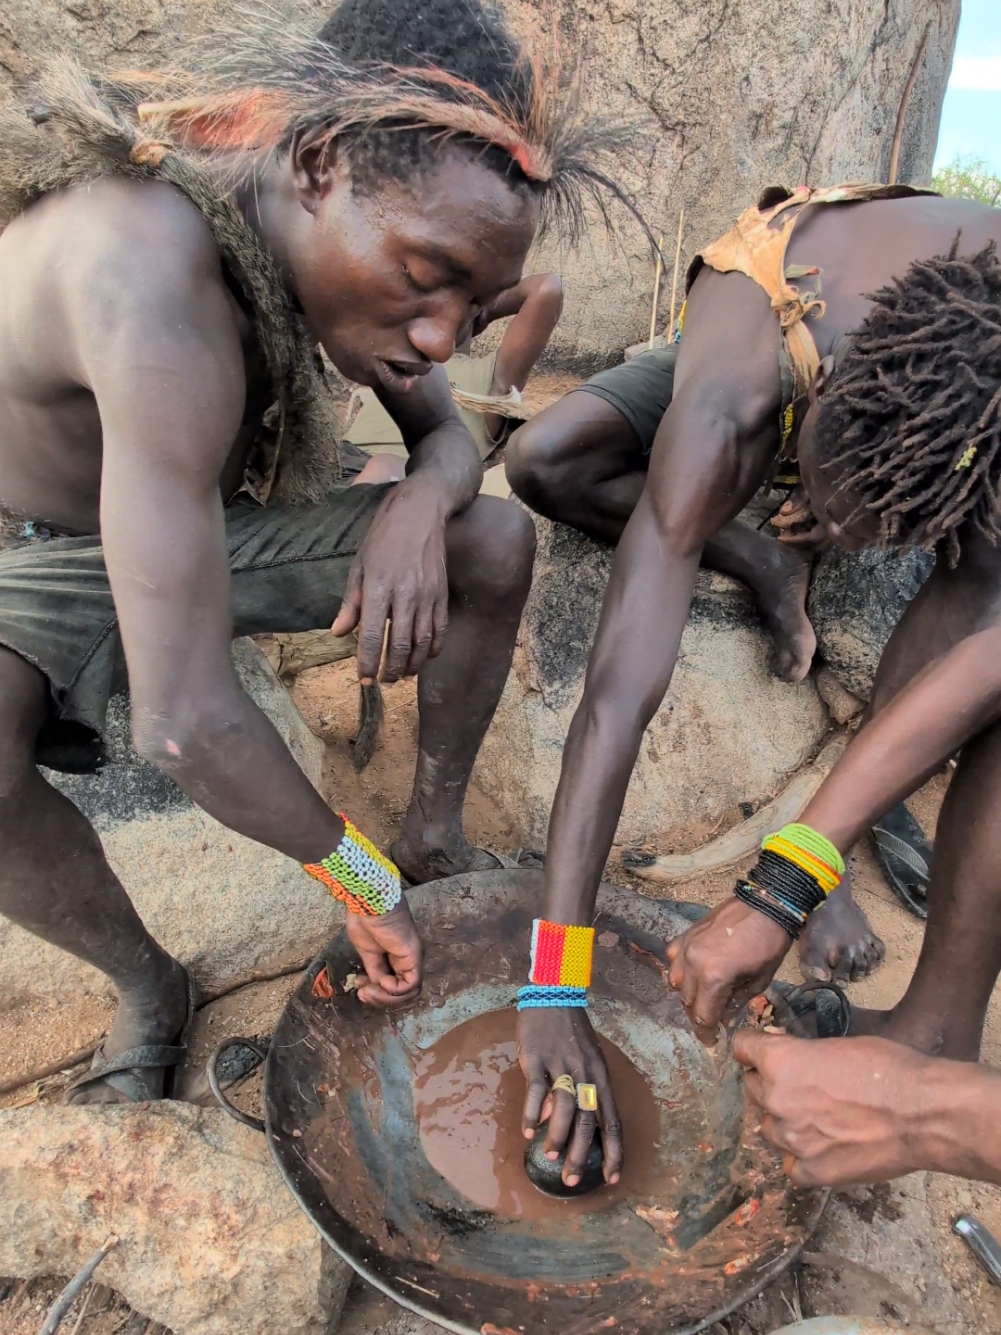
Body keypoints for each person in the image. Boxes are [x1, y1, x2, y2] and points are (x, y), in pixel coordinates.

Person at [0, 0, 631, 1103]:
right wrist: (355, 876)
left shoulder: (337, 237)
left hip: (190, 523)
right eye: (428, 279)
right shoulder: (151, 284)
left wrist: (414, 509)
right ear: (321, 162)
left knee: (484, 534)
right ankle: (149, 982)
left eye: (472, 309)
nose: (440, 336)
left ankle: (435, 833)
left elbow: (451, 437)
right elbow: (187, 722)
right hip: (29, 552)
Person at [508, 184, 1001, 1189]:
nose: (851, 545)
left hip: (949, 406)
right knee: (542, 461)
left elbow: (985, 651)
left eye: (886, 538)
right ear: (805, 416)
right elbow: (615, 693)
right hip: (773, 324)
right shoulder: (735, 387)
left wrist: (794, 878)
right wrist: (553, 984)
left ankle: (935, 1029)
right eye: (827, 510)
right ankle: (758, 560)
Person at [344, 272, 565, 485]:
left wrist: (484, 310)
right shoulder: (398, 359)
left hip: (402, 480)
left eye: (462, 302)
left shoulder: (492, 379)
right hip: (340, 461)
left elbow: (546, 288)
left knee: (385, 466)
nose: (444, 310)